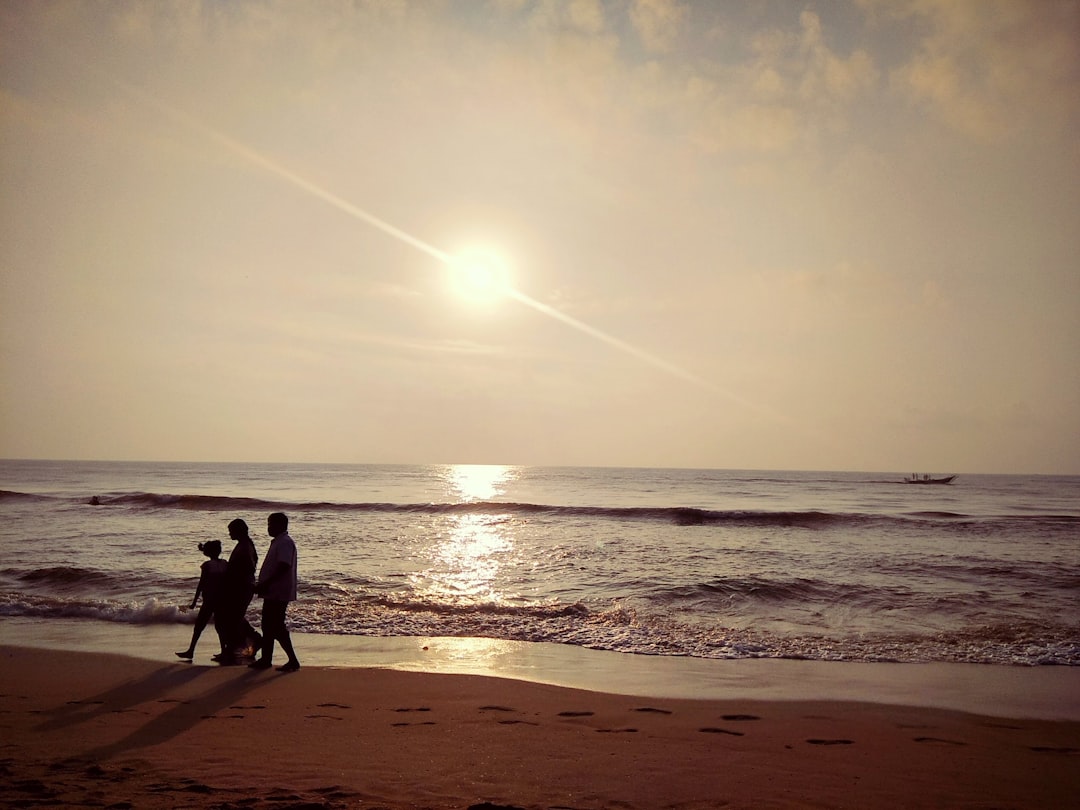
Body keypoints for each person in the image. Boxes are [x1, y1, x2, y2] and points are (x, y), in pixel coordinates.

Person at [250, 512, 300, 672]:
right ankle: (267, 659)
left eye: (270, 524)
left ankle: (291, 660)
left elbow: (283, 566)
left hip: (278, 591)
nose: (268, 528)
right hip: (274, 591)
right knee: (269, 625)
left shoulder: (284, 542)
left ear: (279, 525)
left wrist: (266, 583)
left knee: (275, 626)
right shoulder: (280, 542)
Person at [214, 518, 262, 663]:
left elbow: (246, 568)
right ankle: (249, 641)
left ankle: (239, 646)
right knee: (234, 617)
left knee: (232, 618)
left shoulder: (245, 547)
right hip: (242, 587)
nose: (229, 534)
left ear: (238, 531)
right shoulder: (245, 545)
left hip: (241, 588)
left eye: (231, 531)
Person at [176, 540, 228, 661]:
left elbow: (201, 584)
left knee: (199, 626)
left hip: (209, 600)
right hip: (222, 600)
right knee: (220, 627)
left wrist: (194, 601)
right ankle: (224, 651)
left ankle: (191, 650)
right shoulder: (225, 563)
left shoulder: (207, 566)